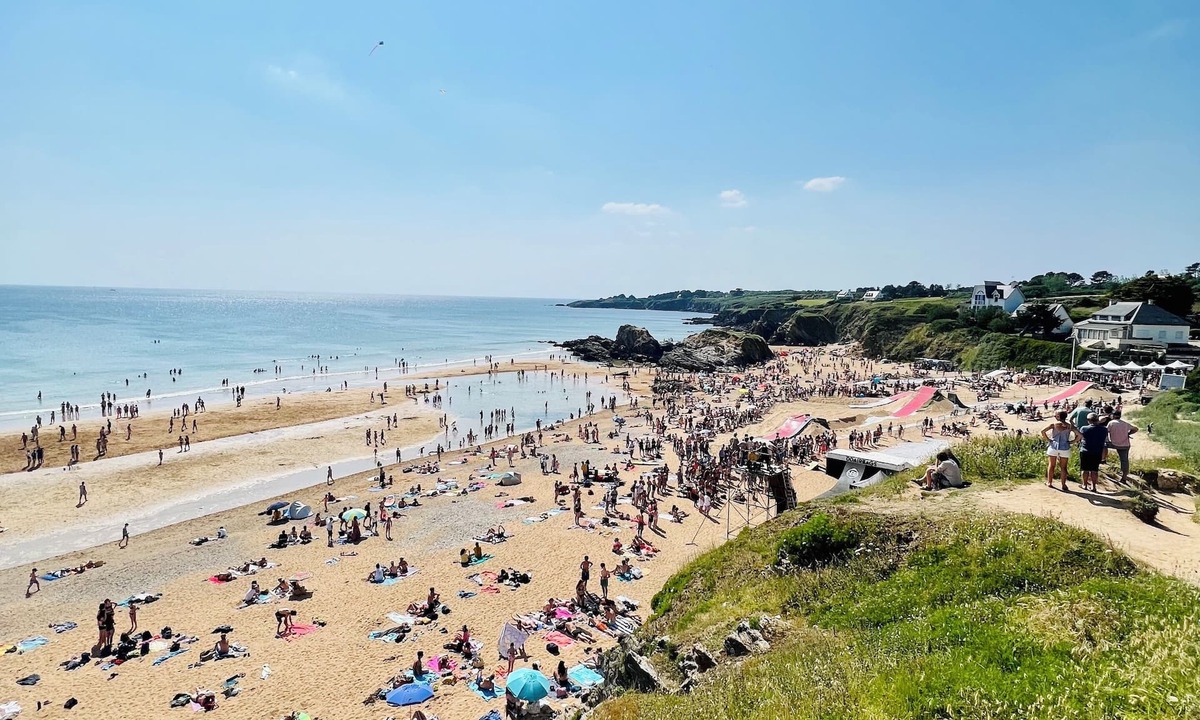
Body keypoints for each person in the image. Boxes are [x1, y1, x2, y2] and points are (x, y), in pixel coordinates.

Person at [1041, 410, 1082, 491]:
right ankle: (1063, 484)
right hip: (1065, 447)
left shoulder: (1053, 425)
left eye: (1056, 415)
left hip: (1054, 446)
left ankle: (1049, 482)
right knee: (1063, 467)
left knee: (1051, 465)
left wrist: (1049, 440)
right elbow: (1079, 435)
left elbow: (1043, 431)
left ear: (1058, 417)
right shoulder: (1069, 426)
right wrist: (1072, 441)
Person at [1105, 408, 1139, 483]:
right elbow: (1136, 429)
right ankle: (1124, 478)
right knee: (1124, 460)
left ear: (1113, 415)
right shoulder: (1125, 423)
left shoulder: (1111, 423)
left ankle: (1102, 460)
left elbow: (1106, 431)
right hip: (1125, 444)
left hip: (1114, 443)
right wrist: (1128, 433)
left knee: (1103, 446)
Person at [1079, 412, 1108, 492]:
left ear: (1088, 420)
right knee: (1094, 470)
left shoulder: (1084, 428)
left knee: (1085, 469)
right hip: (1097, 451)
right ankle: (1094, 486)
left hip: (1085, 451)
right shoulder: (1104, 429)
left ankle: (1084, 485)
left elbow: (1080, 437)